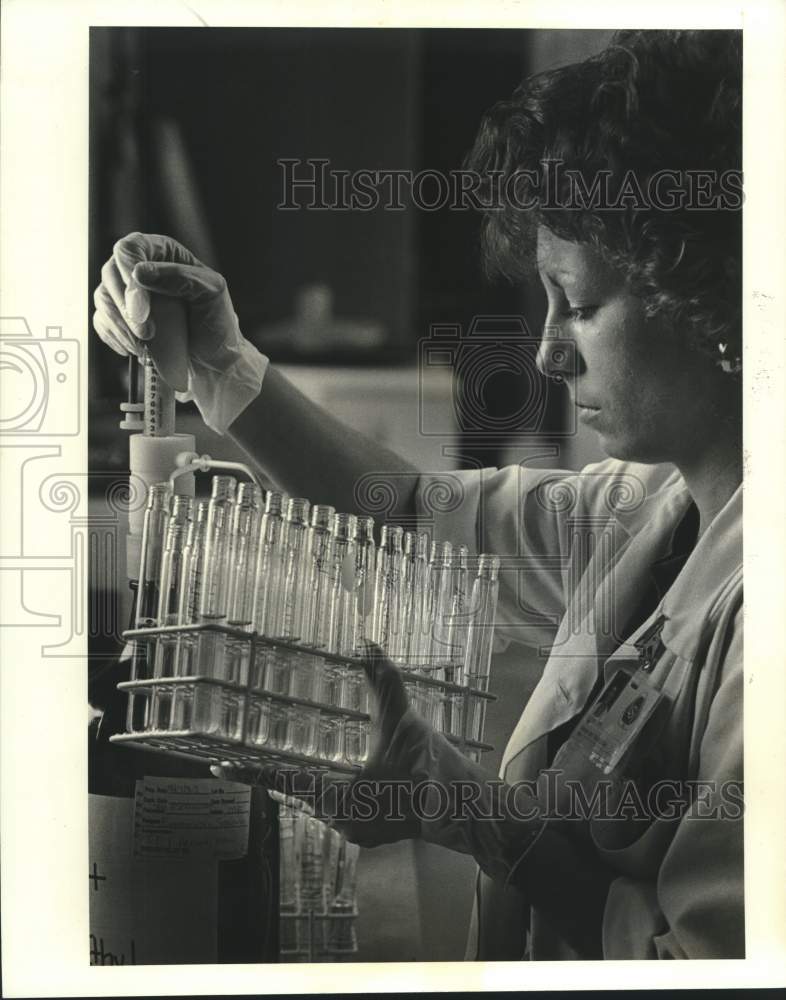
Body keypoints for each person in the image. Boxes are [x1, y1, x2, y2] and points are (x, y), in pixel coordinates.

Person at [92, 30, 743, 960]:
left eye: (581, 305)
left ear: (711, 298)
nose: (549, 353)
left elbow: (703, 967)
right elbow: (405, 513)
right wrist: (220, 363)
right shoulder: (644, 507)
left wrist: (464, 812)